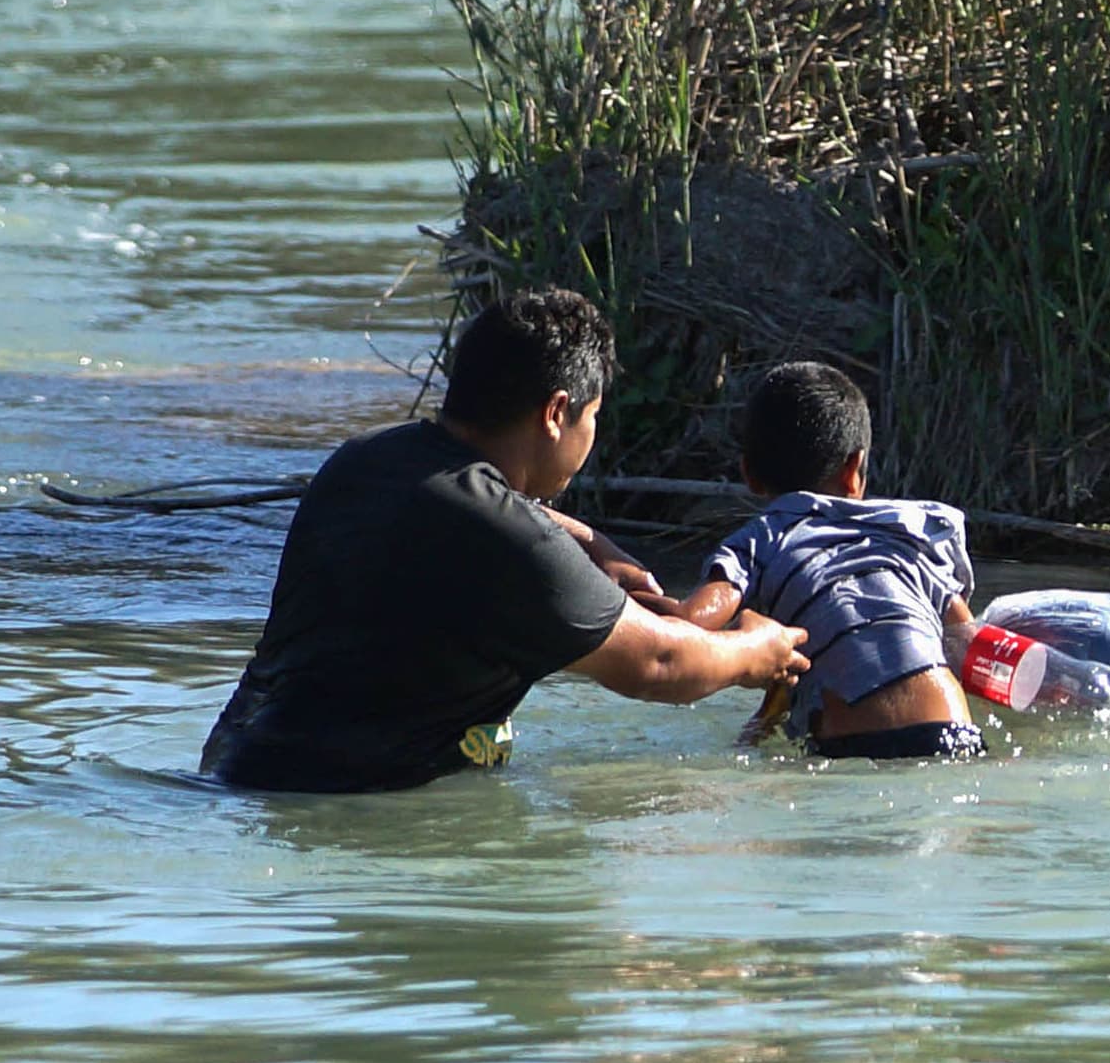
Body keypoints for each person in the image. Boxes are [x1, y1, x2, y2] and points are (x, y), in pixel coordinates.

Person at [198, 287, 807, 792]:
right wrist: (759, 650)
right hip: (347, 803)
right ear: (555, 412)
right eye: (592, 417)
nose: (591, 435)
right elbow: (661, 664)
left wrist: (589, 543)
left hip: (239, 767)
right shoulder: (509, 541)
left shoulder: (366, 461)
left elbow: (483, 520)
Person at [661, 360, 1016, 763]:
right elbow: (966, 645)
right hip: (950, 730)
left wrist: (636, 602)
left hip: (851, 748)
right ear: (854, 468)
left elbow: (687, 626)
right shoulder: (910, 533)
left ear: (749, 474)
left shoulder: (762, 538)